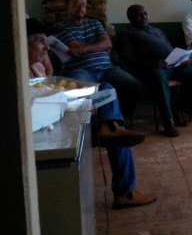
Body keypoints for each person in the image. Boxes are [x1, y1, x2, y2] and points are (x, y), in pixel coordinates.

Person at [27, 18, 156, 209]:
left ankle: (109, 125)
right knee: (118, 134)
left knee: (106, 89)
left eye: (46, 42)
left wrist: (40, 54)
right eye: (40, 41)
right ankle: (125, 191)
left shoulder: (37, 67)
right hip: (56, 123)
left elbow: (49, 79)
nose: (46, 47)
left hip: (64, 113)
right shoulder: (18, 74)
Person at [117, 4, 192, 137]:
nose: (143, 16)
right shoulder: (127, 33)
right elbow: (126, 59)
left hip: (173, 65)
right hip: (150, 68)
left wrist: (182, 59)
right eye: (139, 14)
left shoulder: (157, 31)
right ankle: (168, 120)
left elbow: (170, 50)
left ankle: (180, 109)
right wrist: (153, 63)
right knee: (159, 79)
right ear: (130, 17)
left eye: (145, 13)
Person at [53, 0, 143, 125]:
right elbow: (75, 49)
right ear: (67, 6)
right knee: (84, 94)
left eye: (83, 4)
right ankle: (101, 125)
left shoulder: (95, 23)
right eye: (75, 4)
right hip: (80, 70)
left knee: (134, 85)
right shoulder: (60, 27)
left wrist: (84, 48)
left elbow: (107, 43)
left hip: (107, 68)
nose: (80, 7)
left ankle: (122, 118)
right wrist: (98, 45)